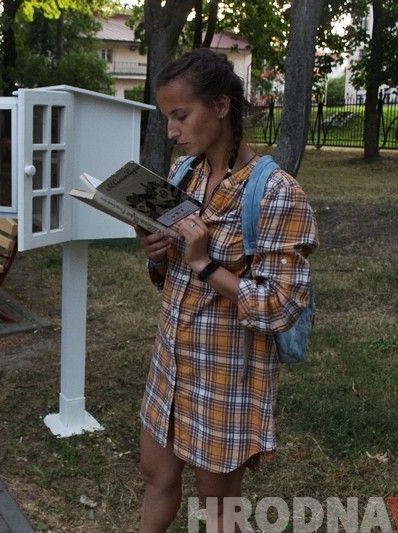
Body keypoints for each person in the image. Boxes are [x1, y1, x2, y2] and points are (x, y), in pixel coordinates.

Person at [134, 49, 318, 533]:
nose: (171, 131)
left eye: (181, 116)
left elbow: (280, 305)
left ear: (220, 106)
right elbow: (169, 277)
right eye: (167, 118)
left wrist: (205, 263)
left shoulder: (276, 192)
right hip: (171, 361)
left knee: (217, 506)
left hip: (225, 372)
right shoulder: (182, 175)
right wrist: (157, 253)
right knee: (155, 476)